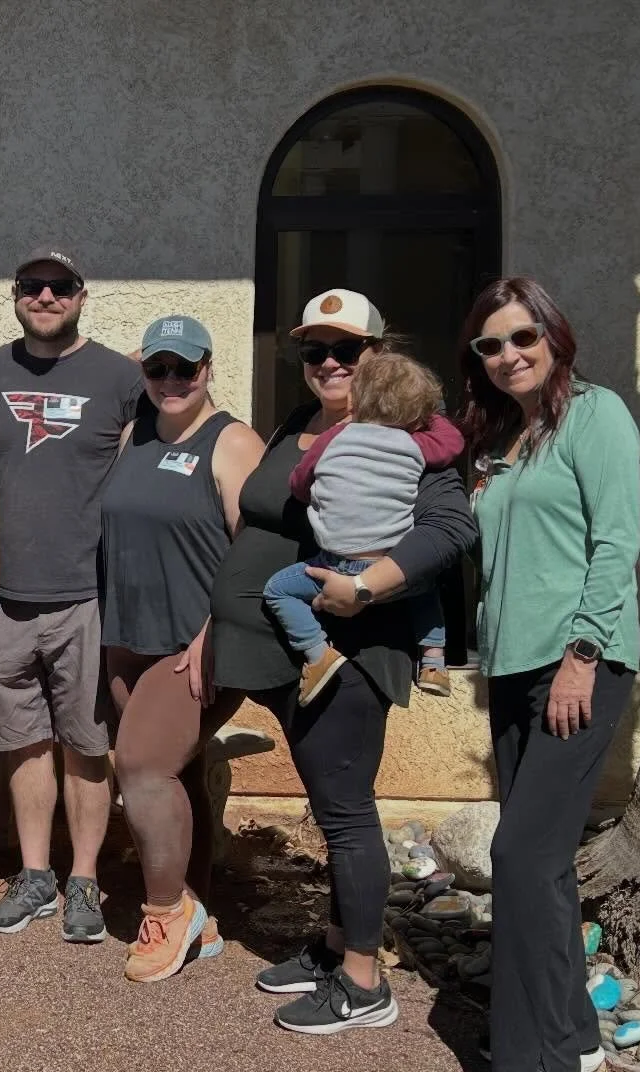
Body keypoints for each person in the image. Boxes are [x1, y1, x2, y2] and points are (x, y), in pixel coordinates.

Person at [195, 288, 476, 1033]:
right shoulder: (301, 425)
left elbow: (450, 528)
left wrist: (366, 585)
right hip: (290, 659)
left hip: (349, 656)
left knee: (347, 818)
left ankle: (363, 982)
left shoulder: (411, 429)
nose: (326, 362)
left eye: (345, 350)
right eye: (312, 350)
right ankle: (332, 945)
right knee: (329, 810)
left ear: (376, 356)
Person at [461, 277, 640, 1072]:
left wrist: (584, 656)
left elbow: (617, 543)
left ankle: (532, 1061)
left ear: (554, 337)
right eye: (491, 344)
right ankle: (572, 1036)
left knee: (523, 856)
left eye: (523, 337)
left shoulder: (594, 414)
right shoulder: (499, 439)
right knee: (545, 863)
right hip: (512, 667)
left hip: (578, 666)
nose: (508, 355)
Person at [0, 247, 145, 944]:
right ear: (15, 295)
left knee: (85, 743)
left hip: (86, 594)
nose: (46, 297)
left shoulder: (120, 376)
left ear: (82, 295)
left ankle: (85, 879)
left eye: (59, 287)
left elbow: (169, 436)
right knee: (22, 742)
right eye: (32, 286)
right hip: (6, 596)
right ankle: (36, 873)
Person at [102, 315, 265, 981]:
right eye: (158, 368)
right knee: (179, 772)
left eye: (185, 368)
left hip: (196, 645)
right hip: (128, 638)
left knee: (140, 767)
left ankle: (167, 914)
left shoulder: (232, 442)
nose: (171, 380)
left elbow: (256, 555)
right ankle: (201, 915)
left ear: (208, 370)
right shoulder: (133, 434)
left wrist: (213, 633)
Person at [262, 352, 463, 705]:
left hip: (331, 566)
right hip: (391, 570)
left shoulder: (334, 436)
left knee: (277, 589)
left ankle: (316, 652)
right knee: (427, 588)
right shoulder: (417, 444)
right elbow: (453, 442)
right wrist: (428, 417)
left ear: (358, 398)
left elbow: (300, 483)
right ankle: (433, 659)